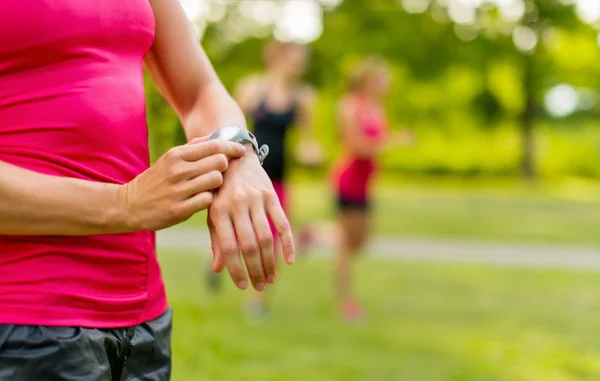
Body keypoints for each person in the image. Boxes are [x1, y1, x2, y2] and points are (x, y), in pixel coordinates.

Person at [0, 1, 294, 380]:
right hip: (21, 318)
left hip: (144, 321)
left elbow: (200, 90)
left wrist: (238, 155)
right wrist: (125, 204)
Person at [208, 40, 320, 317]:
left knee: (274, 236)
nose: (300, 64)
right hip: (245, 172)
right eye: (296, 57)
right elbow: (230, 124)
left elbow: (307, 139)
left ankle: (258, 302)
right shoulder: (253, 88)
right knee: (235, 228)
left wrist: (312, 153)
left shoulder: (303, 97)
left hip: (279, 176)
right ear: (277, 57)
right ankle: (214, 259)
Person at [331, 57, 394, 321]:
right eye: (381, 78)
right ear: (367, 80)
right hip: (348, 181)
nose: (386, 84)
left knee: (361, 240)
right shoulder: (349, 107)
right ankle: (345, 303)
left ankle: (313, 234)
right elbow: (356, 146)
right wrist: (391, 143)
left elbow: (379, 142)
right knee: (346, 245)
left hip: (365, 184)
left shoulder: (377, 108)